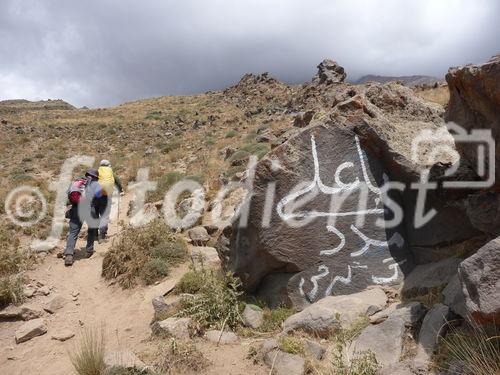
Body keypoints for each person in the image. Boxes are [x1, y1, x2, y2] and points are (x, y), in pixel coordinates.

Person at [64, 168, 104, 266]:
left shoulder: (77, 182)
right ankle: (89, 251)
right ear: (95, 177)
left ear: (86, 174)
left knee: (73, 232)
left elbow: (69, 197)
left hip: (76, 208)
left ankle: (69, 254)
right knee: (91, 230)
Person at [96, 159, 123, 242]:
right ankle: (102, 236)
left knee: (95, 214)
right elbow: (117, 181)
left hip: (96, 196)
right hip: (106, 196)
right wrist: (120, 190)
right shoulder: (111, 172)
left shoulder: (97, 171)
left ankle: (94, 234)